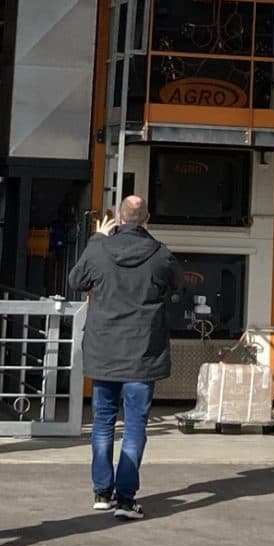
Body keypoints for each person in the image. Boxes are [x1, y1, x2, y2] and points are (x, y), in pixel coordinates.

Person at [66, 193, 175, 518]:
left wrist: (98, 238)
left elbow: (75, 281)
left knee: (102, 424)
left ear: (118, 219)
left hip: (105, 353)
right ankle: (126, 500)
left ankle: (102, 492)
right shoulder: (160, 255)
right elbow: (178, 288)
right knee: (135, 426)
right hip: (142, 353)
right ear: (147, 218)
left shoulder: (100, 249)